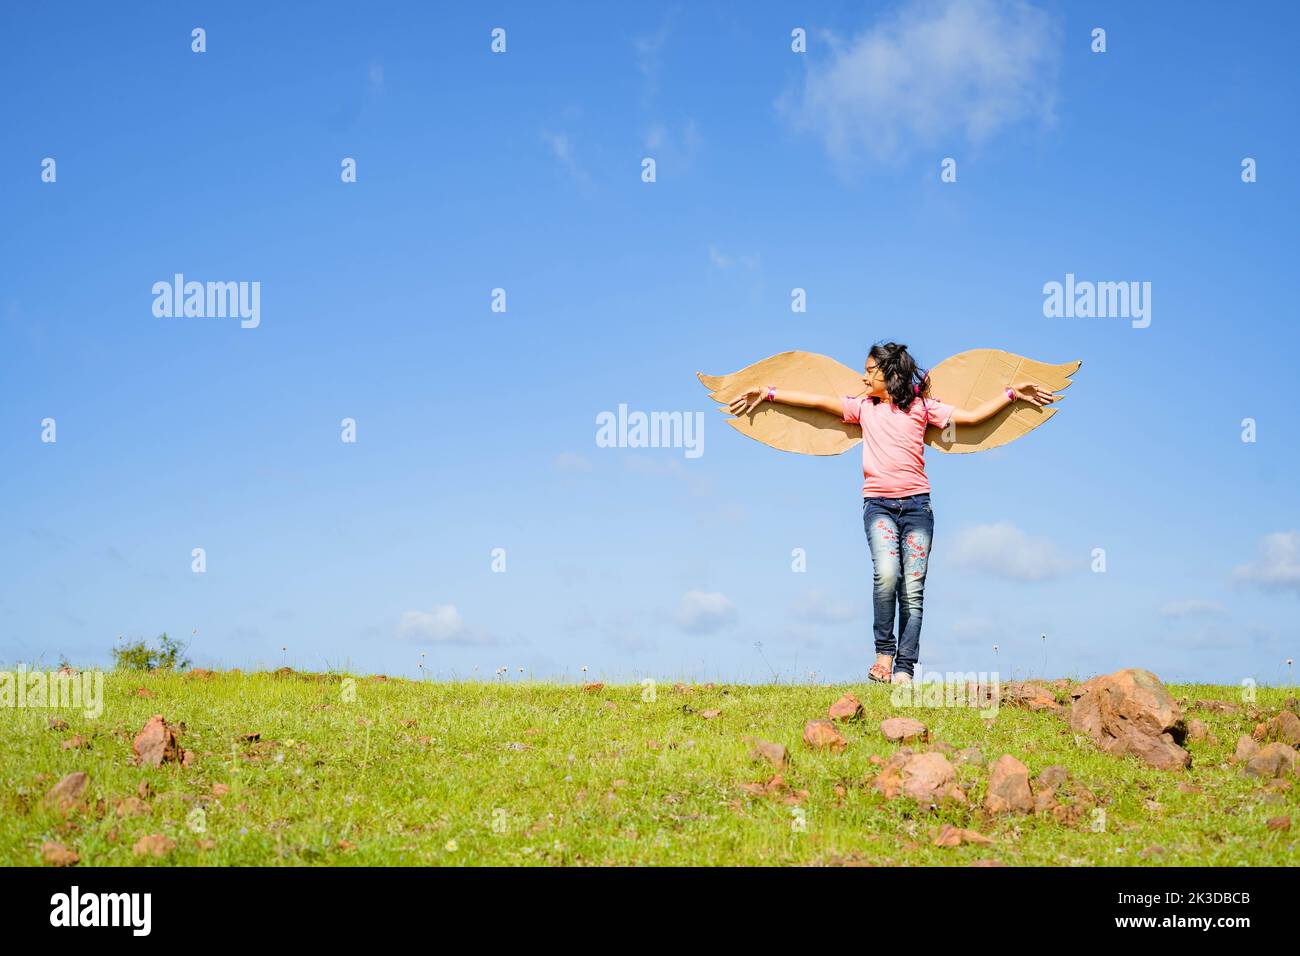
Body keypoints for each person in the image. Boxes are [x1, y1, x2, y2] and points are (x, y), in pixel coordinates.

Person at [728, 342, 1057, 684]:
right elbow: (815, 401)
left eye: (871, 371)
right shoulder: (863, 408)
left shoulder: (921, 408)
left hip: (917, 507)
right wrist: (768, 393)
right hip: (879, 505)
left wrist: (1012, 394)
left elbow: (971, 418)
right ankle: (883, 658)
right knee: (887, 574)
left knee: (913, 589)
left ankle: (905, 668)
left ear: (891, 374)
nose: (864, 377)